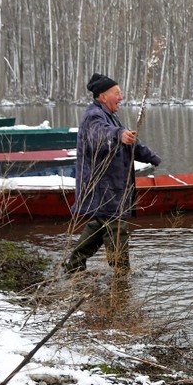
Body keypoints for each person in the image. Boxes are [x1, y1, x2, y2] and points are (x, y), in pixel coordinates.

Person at [62, 73, 162, 290]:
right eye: (117, 93)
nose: (121, 97)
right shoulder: (94, 116)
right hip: (102, 186)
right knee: (117, 227)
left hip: (111, 187)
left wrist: (151, 157)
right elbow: (102, 135)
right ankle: (121, 278)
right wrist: (118, 134)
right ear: (103, 96)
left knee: (100, 225)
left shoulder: (110, 116)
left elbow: (128, 140)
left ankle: (73, 265)